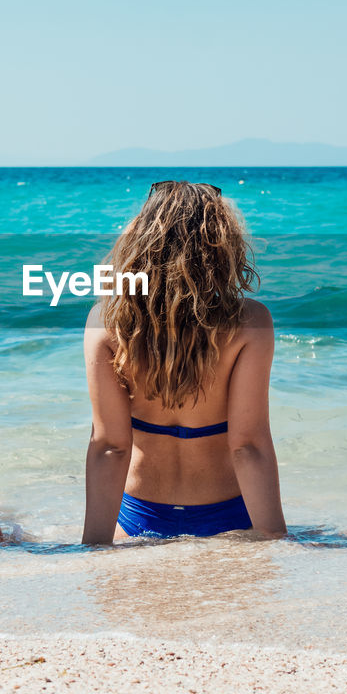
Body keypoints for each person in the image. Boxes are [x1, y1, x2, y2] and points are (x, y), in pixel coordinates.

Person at [82, 181, 287, 543]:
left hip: (137, 515)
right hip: (230, 514)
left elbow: (110, 447)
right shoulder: (249, 322)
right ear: (221, 244)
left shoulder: (107, 322)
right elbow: (247, 445)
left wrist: (92, 547)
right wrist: (274, 539)